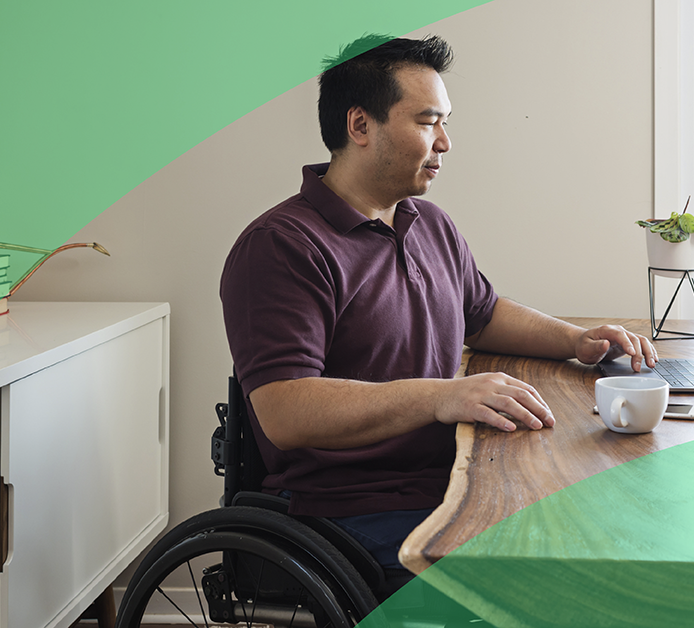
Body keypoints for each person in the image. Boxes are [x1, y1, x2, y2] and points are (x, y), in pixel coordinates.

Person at [219, 34, 656, 597]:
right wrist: (441, 396)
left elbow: (482, 313)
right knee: (571, 573)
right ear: (360, 126)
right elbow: (284, 410)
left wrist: (577, 340)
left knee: (609, 523)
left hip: (452, 479)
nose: (445, 142)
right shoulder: (282, 245)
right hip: (351, 508)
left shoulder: (428, 223)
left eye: (445, 122)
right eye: (428, 122)